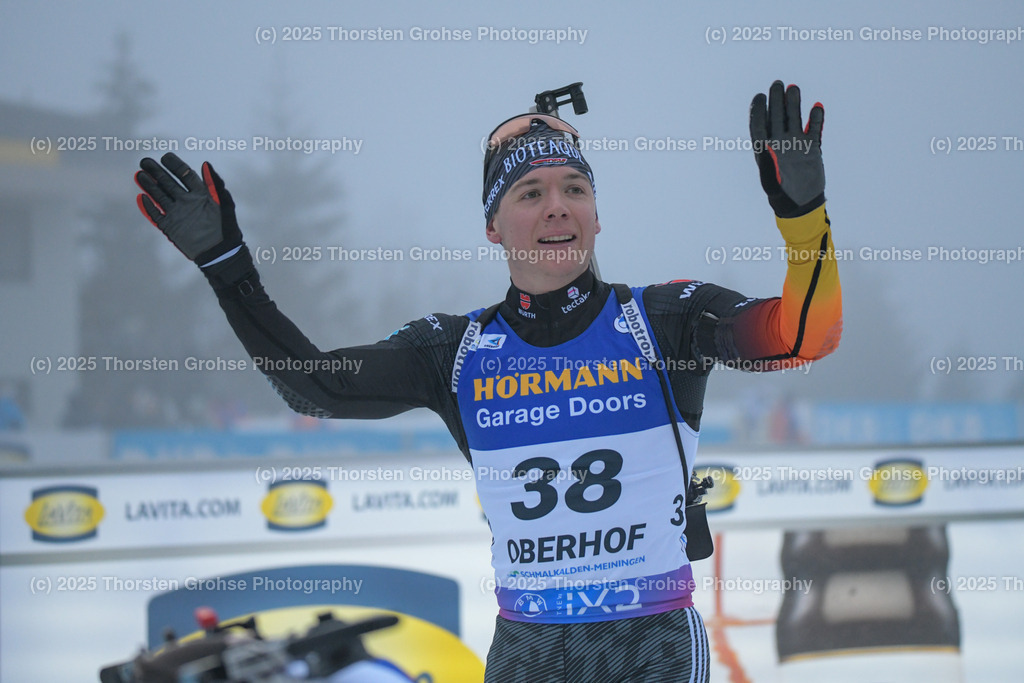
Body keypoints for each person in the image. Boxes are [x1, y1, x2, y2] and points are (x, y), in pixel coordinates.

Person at [134, 80, 841, 682]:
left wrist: (801, 219)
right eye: (530, 192)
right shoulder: (456, 349)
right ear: (494, 227)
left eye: (575, 187)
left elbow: (805, 336)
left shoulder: (667, 318)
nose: (557, 206)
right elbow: (314, 386)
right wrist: (227, 264)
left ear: (599, 213)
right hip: (525, 642)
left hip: (648, 638)